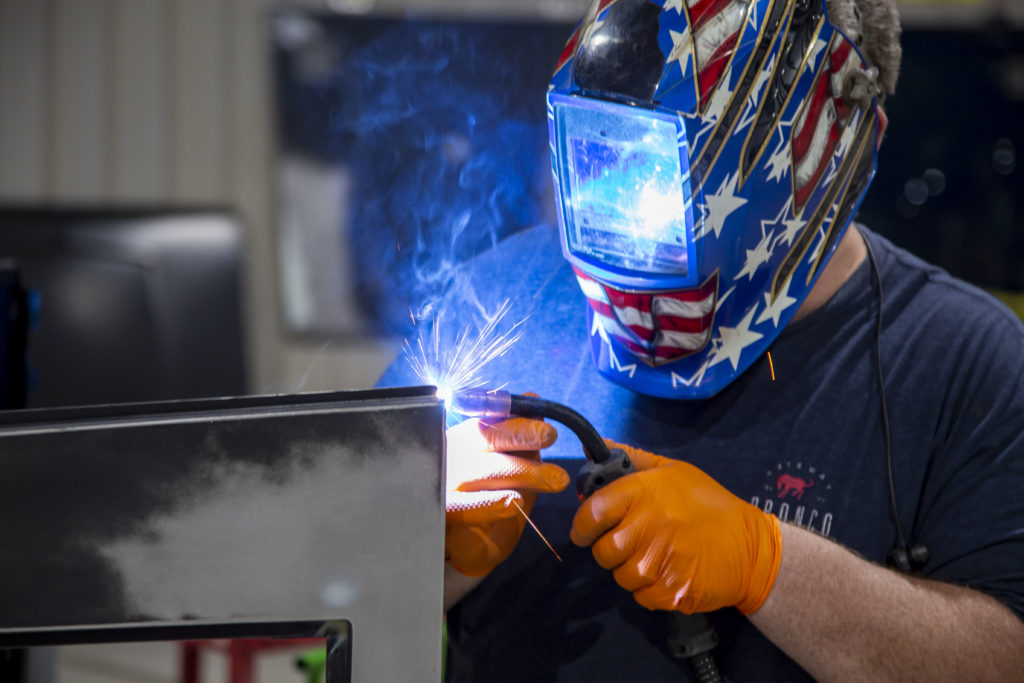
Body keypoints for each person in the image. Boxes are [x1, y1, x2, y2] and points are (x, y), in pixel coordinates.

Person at [379, 0, 1024, 679]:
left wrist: (768, 563)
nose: (627, 200)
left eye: (662, 165)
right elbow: (322, 596)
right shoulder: (499, 295)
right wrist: (420, 549)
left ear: (817, 141)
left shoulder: (967, 362)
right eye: (607, 152)